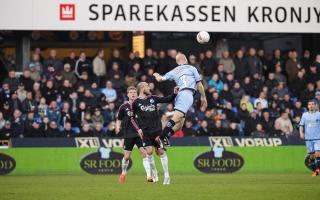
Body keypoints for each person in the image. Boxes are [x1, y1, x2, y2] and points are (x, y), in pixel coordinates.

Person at [153, 53, 207, 145]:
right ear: (186, 59)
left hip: (179, 95)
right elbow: (199, 84)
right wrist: (203, 97)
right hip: (187, 94)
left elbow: (160, 79)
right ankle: (161, 138)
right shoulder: (192, 68)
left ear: (177, 62)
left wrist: (156, 75)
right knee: (176, 117)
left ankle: (166, 136)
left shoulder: (174, 71)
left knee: (180, 124)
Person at [132, 82, 178, 185]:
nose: (149, 88)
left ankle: (167, 176)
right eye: (147, 86)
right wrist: (138, 129)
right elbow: (132, 118)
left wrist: (174, 93)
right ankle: (154, 172)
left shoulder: (153, 98)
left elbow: (167, 99)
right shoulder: (136, 102)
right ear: (142, 88)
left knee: (160, 152)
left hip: (157, 131)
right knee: (149, 152)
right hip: (145, 132)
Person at [115, 86, 151, 184]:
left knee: (144, 153)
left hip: (140, 134)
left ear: (137, 93)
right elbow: (119, 118)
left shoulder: (141, 105)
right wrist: (117, 126)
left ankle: (149, 176)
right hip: (128, 134)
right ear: (127, 94)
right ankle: (123, 173)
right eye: (131, 92)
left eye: (134, 92)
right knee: (126, 157)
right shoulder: (123, 106)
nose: (133, 94)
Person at [299, 99, 320, 176]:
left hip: (318, 138)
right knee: (311, 156)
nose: (311, 106)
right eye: (309, 104)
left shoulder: (319, 114)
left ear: (315, 105)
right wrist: (301, 133)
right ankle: (315, 171)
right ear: (308, 106)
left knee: (317, 153)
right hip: (308, 138)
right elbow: (301, 125)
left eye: (312, 104)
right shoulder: (304, 115)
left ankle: (317, 170)